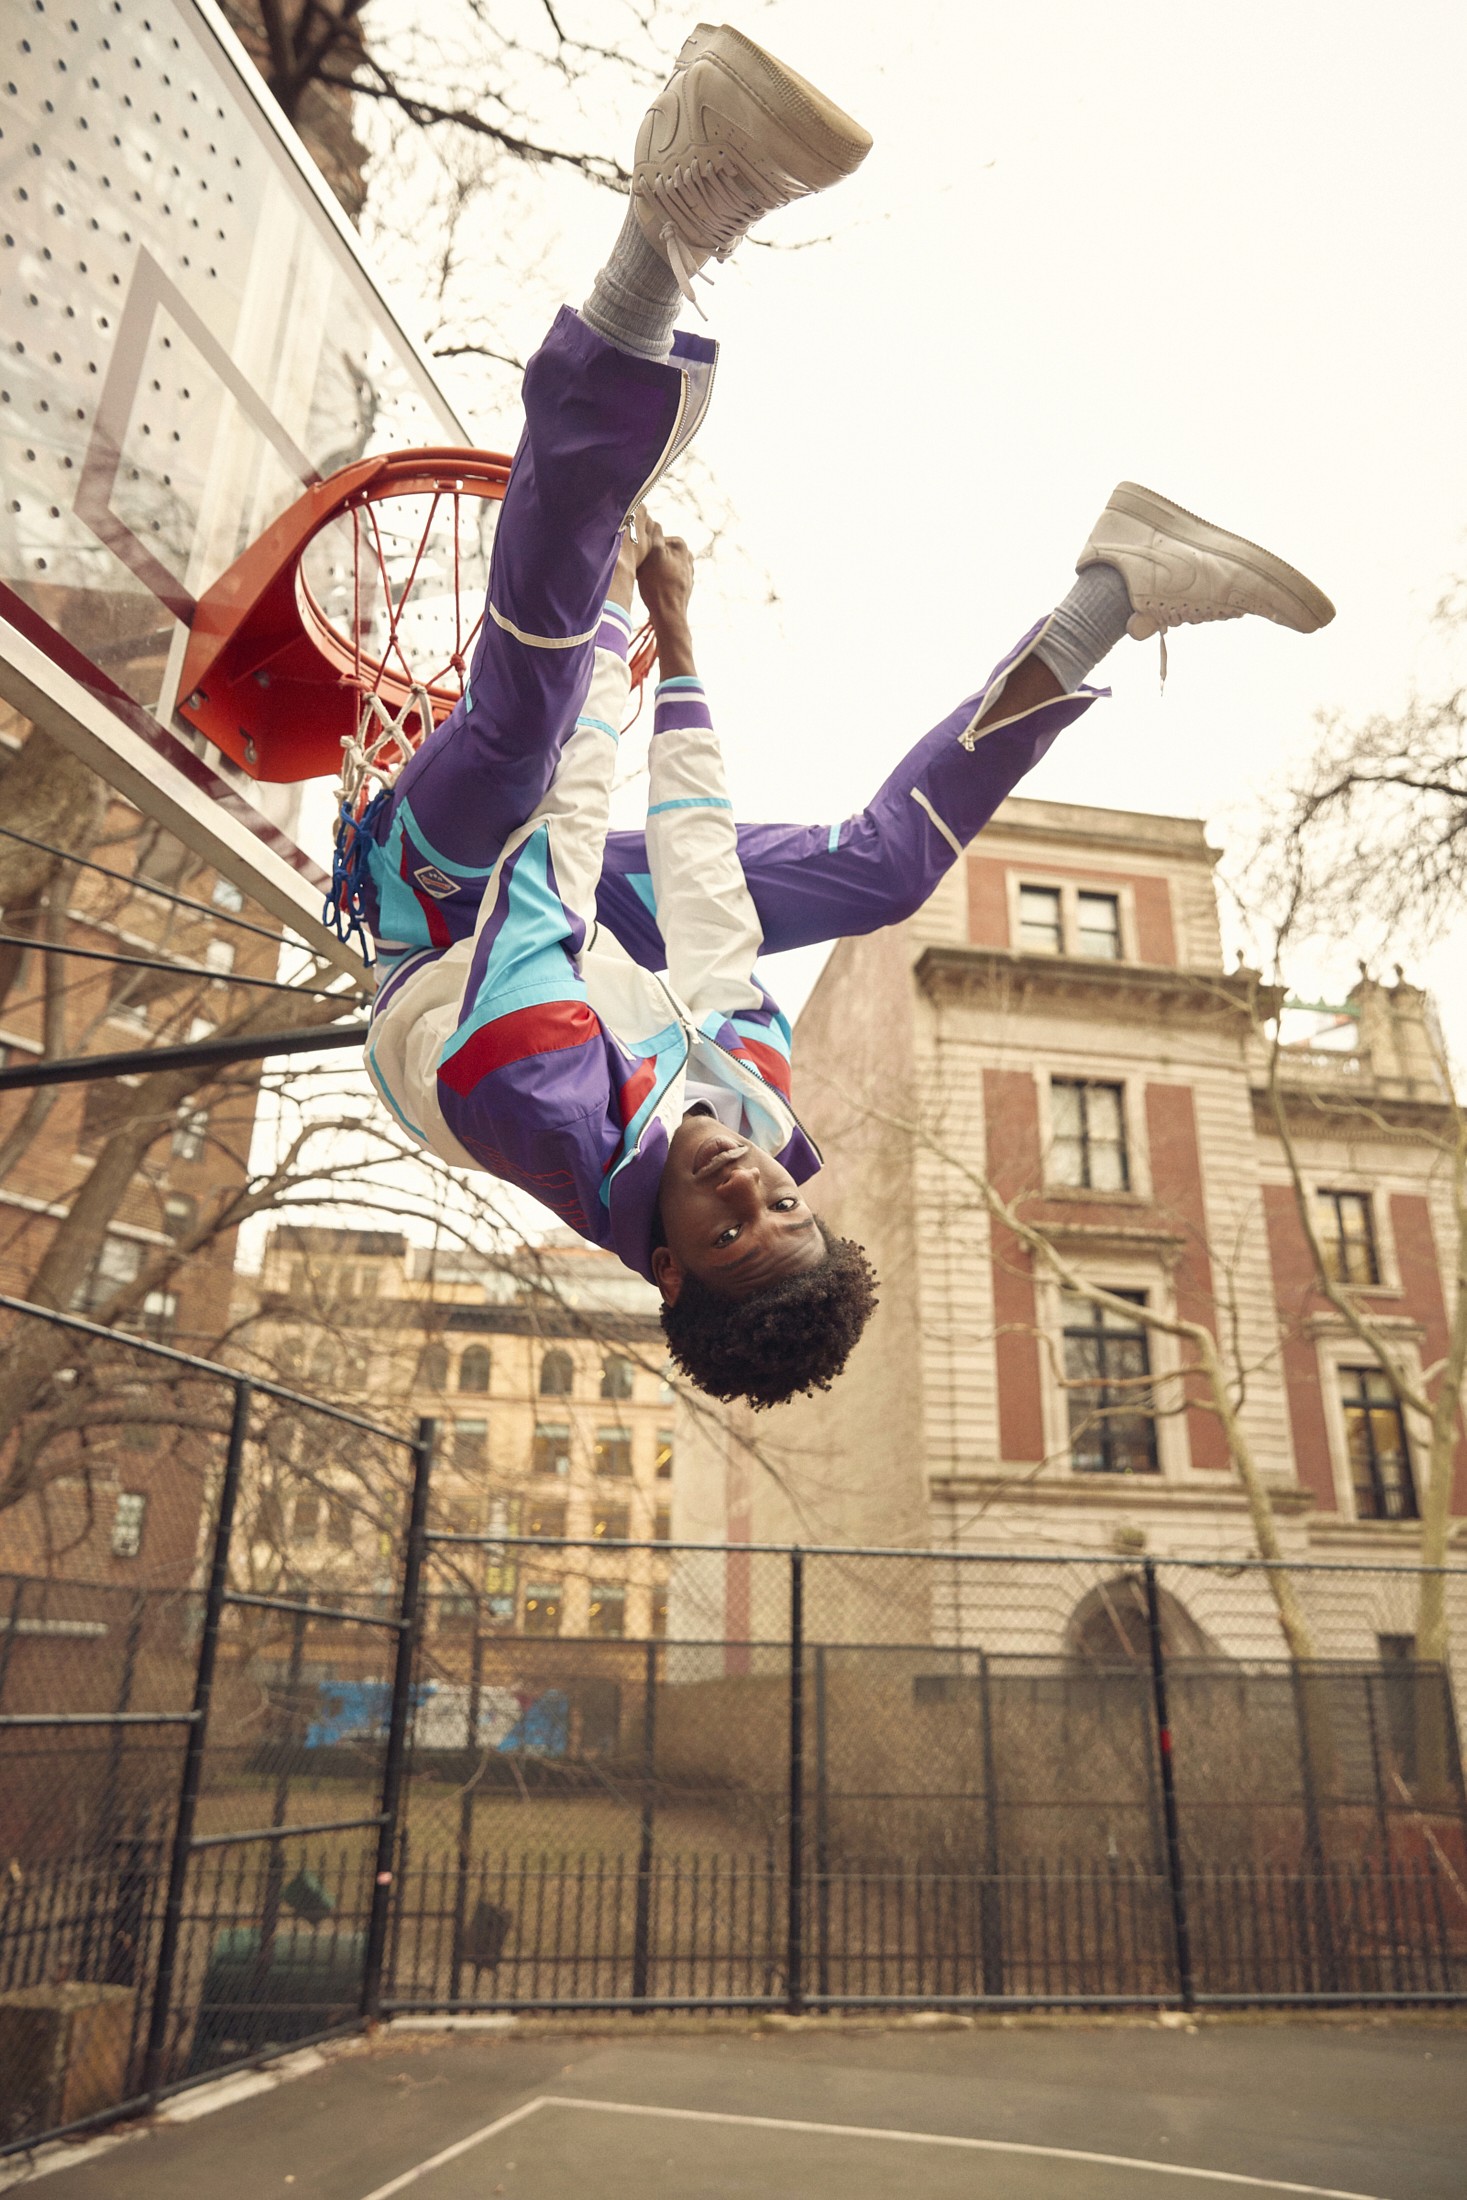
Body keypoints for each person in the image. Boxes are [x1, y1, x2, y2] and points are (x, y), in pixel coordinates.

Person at [349, 22, 1333, 1410]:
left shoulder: (533, 1104)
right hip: (587, 940)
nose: (747, 1186)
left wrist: (617, 619)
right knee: (883, 875)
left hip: (445, 913)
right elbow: (704, 892)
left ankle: (661, 233)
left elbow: (549, 858)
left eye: (728, 1231)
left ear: (669, 1268)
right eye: (782, 1209)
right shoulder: (754, 1114)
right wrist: (681, 645)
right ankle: (1117, 591)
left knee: (522, 744)